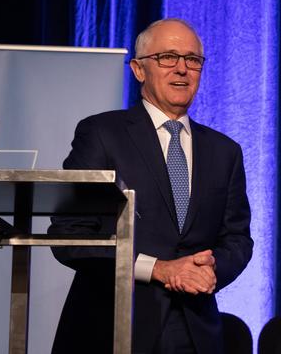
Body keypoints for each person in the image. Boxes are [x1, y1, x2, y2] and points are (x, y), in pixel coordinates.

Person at [49, 18, 253, 354]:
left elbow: (237, 238)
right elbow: (70, 235)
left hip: (195, 332)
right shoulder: (102, 134)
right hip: (112, 328)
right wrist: (157, 268)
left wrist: (211, 267)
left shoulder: (225, 151)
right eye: (167, 57)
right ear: (139, 69)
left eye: (192, 60)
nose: (182, 69)